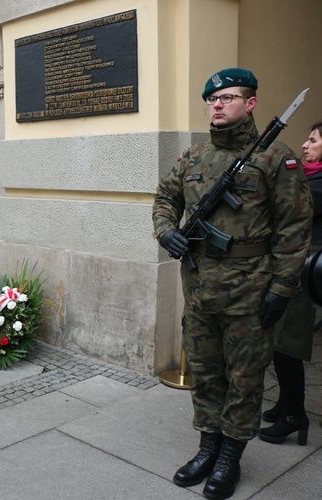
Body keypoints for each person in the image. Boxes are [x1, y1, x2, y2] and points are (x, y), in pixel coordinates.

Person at [152, 68, 312, 499]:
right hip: (200, 291)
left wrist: (281, 288)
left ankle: (230, 458)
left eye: (228, 97)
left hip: (249, 291)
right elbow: (165, 197)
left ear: (251, 103)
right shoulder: (193, 157)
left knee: (244, 379)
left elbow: (295, 228)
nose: (217, 105)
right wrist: (166, 229)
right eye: (212, 99)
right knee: (206, 374)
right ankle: (208, 448)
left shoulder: (277, 158)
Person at [259, 121, 322, 446]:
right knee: (281, 341)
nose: (306, 144)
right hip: (291, 265)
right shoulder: (308, 177)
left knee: (288, 344)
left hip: (302, 269)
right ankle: (286, 403)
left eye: (313, 140)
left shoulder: (316, 184)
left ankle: (294, 415)